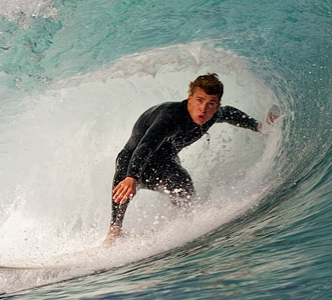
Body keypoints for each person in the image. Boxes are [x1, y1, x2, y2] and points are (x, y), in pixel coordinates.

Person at [104, 73, 276, 245]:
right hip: (133, 160)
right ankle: (114, 231)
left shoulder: (213, 115)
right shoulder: (170, 116)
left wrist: (258, 126)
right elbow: (146, 146)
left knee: (184, 186)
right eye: (199, 100)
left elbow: (230, 113)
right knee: (122, 186)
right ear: (190, 98)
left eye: (211, 103)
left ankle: (181, 230)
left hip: (164, 163)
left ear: (217, 106)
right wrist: (131, 177)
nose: (203, 109)